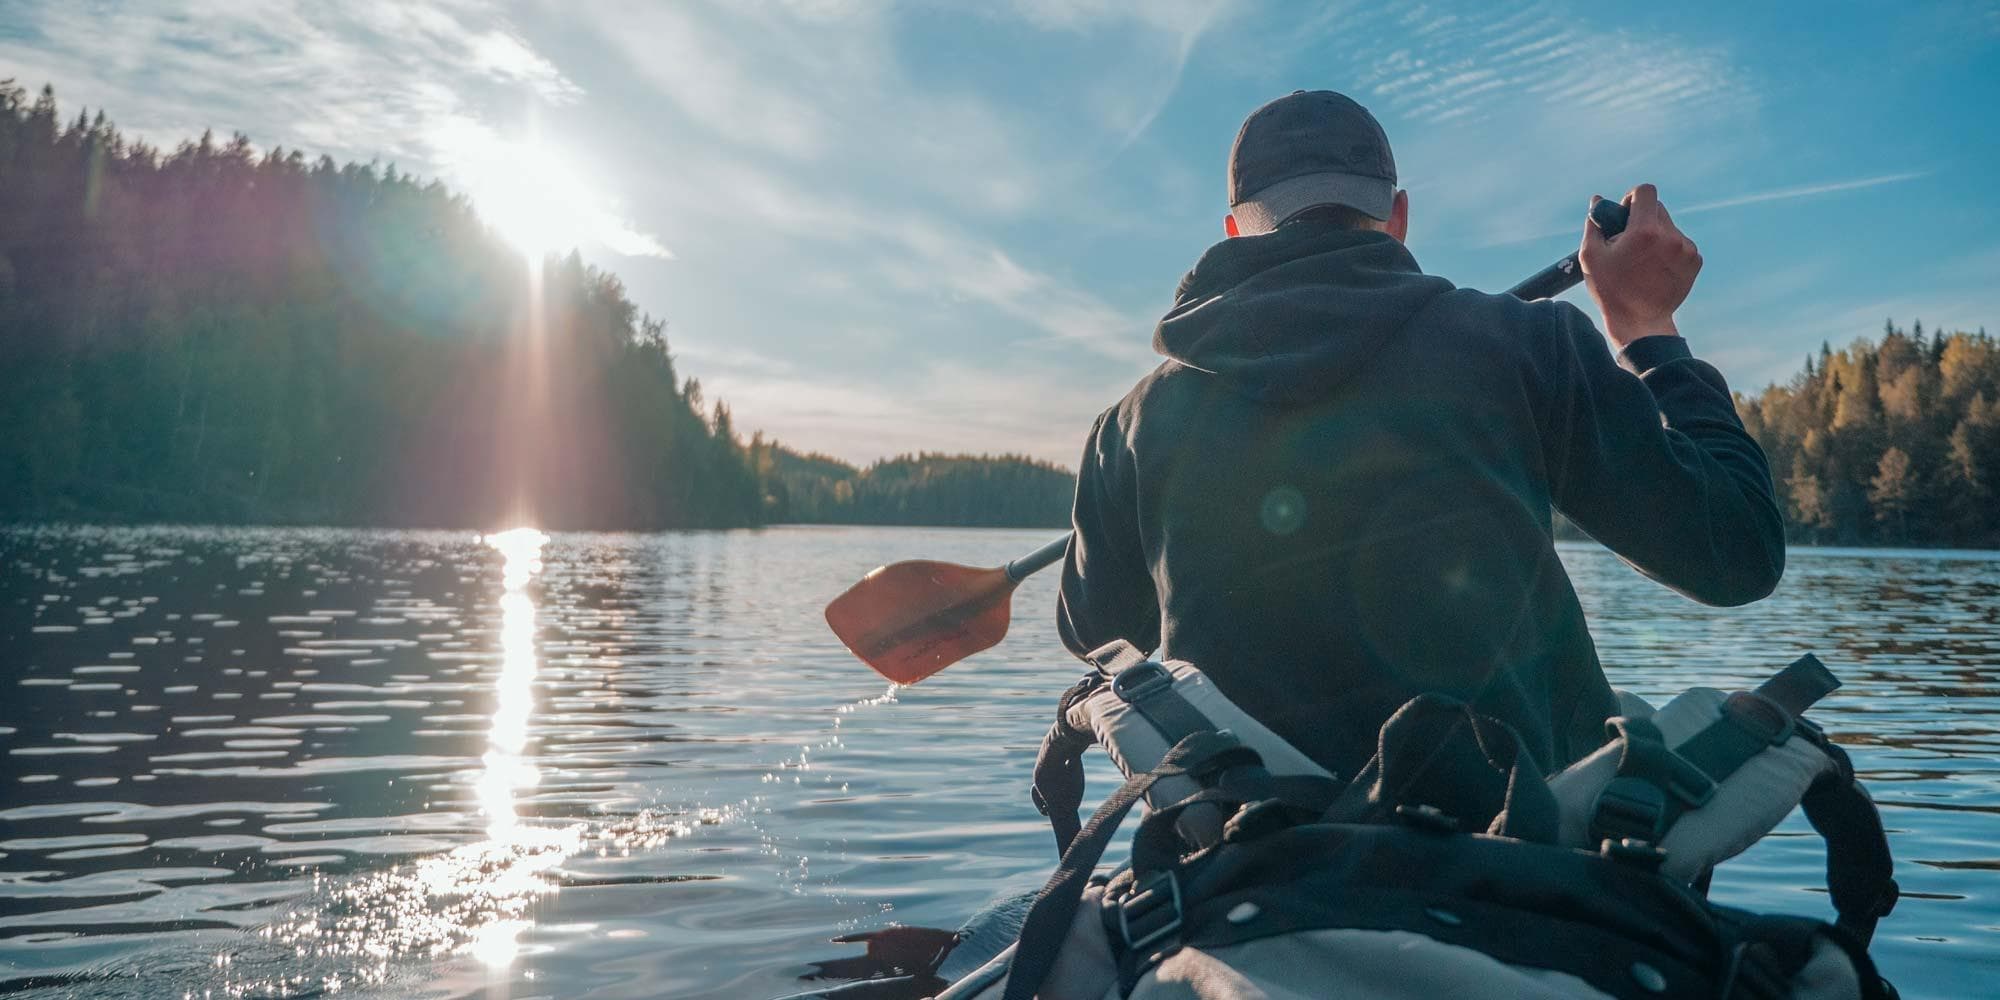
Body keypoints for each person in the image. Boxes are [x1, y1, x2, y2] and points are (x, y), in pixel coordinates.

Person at [1056, 89, 1785, 778]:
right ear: (1397, 214)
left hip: (1246, 844)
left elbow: (1099, 634)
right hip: (1515, 851)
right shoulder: (1531, 345)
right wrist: (1647, 327)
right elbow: (1737, 552)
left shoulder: (1131, 424)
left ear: (1234, 228)